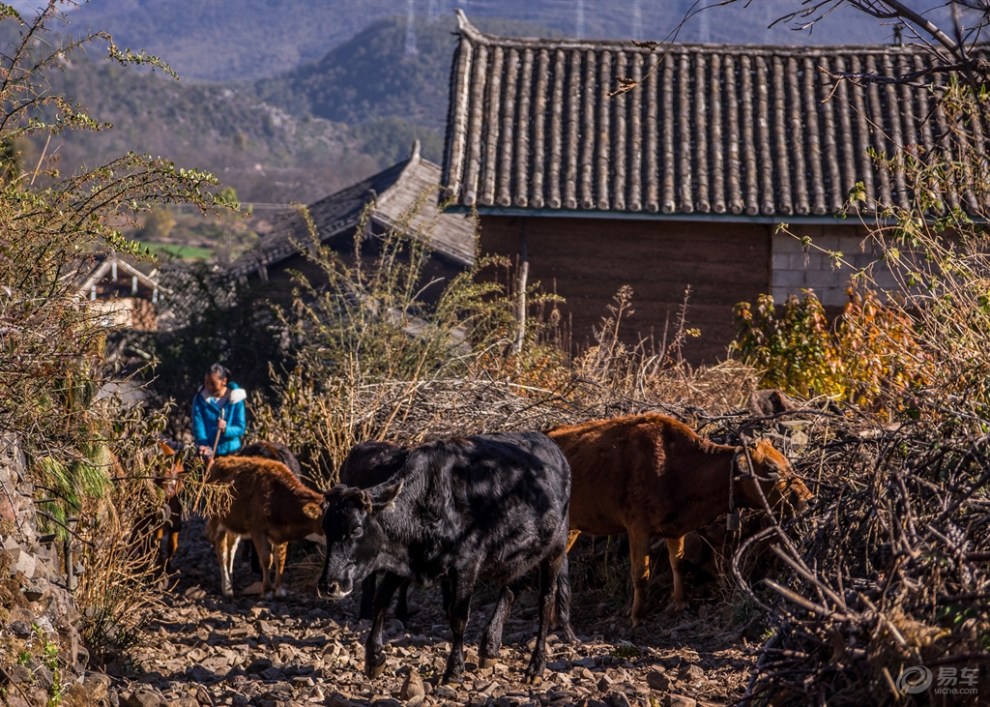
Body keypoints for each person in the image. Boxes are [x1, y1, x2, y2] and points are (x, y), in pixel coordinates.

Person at [191, 363, 247, 460]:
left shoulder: (236, 398)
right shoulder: (200, 398)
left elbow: (240, 428)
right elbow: (198, 426)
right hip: (208, 454)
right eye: (206, 382)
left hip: (232, 453)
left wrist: (226, 429)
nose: (208, 386)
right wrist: (205, 446)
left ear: (224, 381)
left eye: (213, 383)